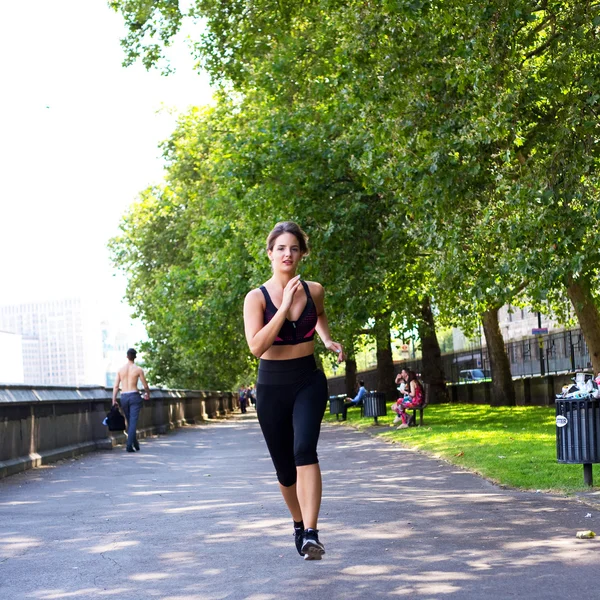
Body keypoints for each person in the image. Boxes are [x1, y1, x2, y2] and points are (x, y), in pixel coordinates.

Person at [243, 221, 344, 560]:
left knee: (305, 450)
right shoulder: (256, 298)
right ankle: (299, 524)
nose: (288, 254)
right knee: (285, 470)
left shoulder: (315, 290)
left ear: (302, 253)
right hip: (271, 386)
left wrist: (326, 338)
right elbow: (256, 347)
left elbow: (320, 314)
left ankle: (313, 533)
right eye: (281, 248)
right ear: (270, 253)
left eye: (294, 248)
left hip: (307, 379)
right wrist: (283, 307)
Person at [112, 348, 150, 452]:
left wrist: (114, 400)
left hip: (124, 396)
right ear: (135, 357)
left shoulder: (120, 370)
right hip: (134, 396)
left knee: (129, 421)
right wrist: (148, 393)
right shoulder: (138, 370)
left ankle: (135, 444)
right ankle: (129, 445)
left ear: (127, 356)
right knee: (132, 422)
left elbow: (116, 387)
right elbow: (145, 385)